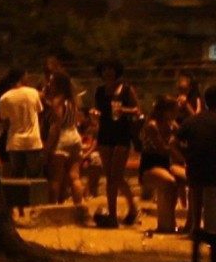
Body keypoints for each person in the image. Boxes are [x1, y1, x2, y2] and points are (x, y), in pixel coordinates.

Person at [178, 84, 216, 233]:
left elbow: (173, 143)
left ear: (205, 101)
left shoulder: (192, 121)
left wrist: (185, 158)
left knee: (196, 187)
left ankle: (195, 225)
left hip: (194, 169)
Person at [92, 59, 140, 227]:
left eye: (111, 69)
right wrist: (94, 114)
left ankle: (113, 216)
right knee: (112, 176)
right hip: (105, 133)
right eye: (105, 69)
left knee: (115, 176)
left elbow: (137, 110)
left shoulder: (126, 89)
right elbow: (98, 109)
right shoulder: (99, 91)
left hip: (122, 133)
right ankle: (132, 208)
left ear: (117, 70)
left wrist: (123, 110)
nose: (108, 72)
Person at [139, 96, 187, 232]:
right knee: (169, 182)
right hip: (151, 165)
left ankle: (187, 224)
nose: (176, 114)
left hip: (167, 164)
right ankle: (166, 224)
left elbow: (183, 138)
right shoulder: (152, 126)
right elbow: (163, 150)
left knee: (188, 177)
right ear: (165, 111)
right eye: (174, 111)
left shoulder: (172, 124)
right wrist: (176, 151)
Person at [44, 72, 85, 205]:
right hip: (75, 136)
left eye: (51, 81)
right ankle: (79, 206)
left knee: (55, 178)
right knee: (74, 176)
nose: (49, 84)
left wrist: (48, 147)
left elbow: (56, 126)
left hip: (62, 138)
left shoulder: (58, 102)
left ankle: (52, 208)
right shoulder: (73, 100)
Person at [0, 68, 44, 179]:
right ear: (22, 77)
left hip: (14, 142)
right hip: (33, 141)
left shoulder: (4, 98)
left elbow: (5, 122)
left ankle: (18, 196)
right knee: (34, 177)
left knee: (17, 176)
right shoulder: (33, 93)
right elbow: (39, 111)